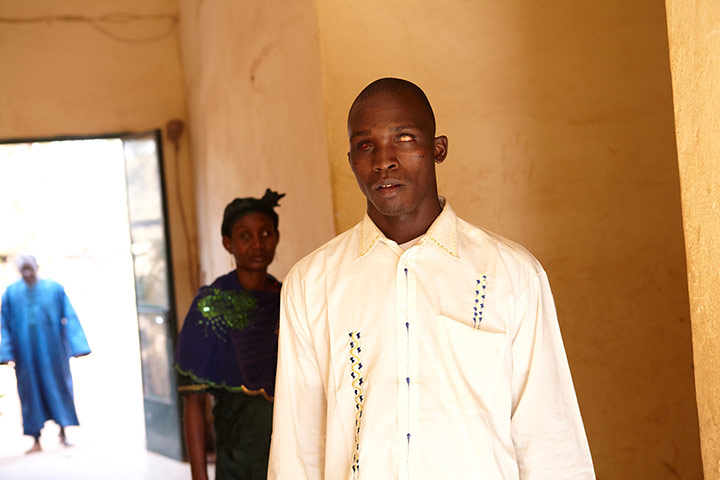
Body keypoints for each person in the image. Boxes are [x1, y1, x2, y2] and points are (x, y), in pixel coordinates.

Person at [268, 78, 595, 479]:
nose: (383, 160)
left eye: (404, 138)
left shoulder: (512, 274)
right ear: (351, 158)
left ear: (438, 149)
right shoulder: (310, 284)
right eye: (365, 145)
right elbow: (296, 449)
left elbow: (549, 438)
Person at [175, 189, 284, 480]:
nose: (257, 244)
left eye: (265, 233)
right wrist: (200, 475)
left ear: (276, 238)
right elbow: (194, 401)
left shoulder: (288, 299)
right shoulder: (211, 306)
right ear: (228, 243)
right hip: (238, 458)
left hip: (289, 453)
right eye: (245, 236)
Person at [0, 254, 91, 454]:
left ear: (37, 267)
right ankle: (35, 439)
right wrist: (6, 352)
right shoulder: (11, 293)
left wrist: (78, 346)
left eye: (29, 269)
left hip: (53, 352)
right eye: (22, 270)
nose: (26, 273)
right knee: (30, 394)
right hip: (25, 356)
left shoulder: (54, 289)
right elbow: (3, 325)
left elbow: (70, 317)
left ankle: (63, 432)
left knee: (58, 388)